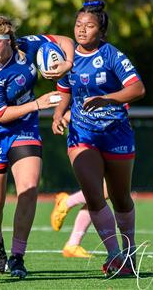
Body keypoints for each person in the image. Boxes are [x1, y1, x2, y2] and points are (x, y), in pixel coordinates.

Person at [0, 15, 75, 278]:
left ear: (9, 41)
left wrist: (67, 64)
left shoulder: (28, 46)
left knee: (28, 190)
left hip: (24, 129)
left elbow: (65, 41)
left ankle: (18, 257)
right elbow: (1, 114)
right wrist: (38, 104)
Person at [52, 0, 145, 278]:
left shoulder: (112, 55)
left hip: (116, 133)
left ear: (100, 31)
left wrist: (107, 99)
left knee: (121, 199)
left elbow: (138, 89)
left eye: (88, 26)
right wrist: (58, 113)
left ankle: (128, 255)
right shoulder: (67, 58)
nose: (81, 30)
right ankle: (114, 254)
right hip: (82, 134)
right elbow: (64, 90)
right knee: (93, 195)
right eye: (78, 24)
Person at [50, 110, 110, 258]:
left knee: (102, 193)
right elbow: (67, 107)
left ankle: (73, 244)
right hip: (89, 137)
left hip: (110, 135)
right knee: (105, 190)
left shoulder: (118, 88)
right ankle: (66, 202)